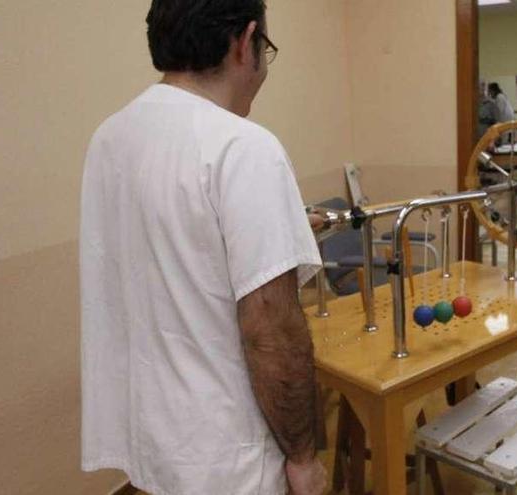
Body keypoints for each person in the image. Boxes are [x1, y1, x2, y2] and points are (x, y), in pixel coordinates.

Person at [80, 1, 327, 494]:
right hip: (228, 460)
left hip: (154, 444)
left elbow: (166, 257)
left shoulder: (109, 140)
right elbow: (270, 329)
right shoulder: (244, 147)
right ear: (246, 42)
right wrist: (303, 457)